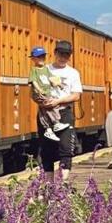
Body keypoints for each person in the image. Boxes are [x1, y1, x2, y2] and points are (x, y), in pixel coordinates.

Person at [38, 41, 82, 181]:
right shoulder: (44, 70)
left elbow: (76, 95)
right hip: (46, 113)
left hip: (64, 112)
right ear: (55, 53)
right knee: (47, 148)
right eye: (61, 54)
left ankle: (62, 182)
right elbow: (35, 90)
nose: (63, 57)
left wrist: (58, 101)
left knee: (66, 147)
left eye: (66, 55)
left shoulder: (73, 73)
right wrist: (42, 100)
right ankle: (49, 184)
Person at [29, 46, 71, 142]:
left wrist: (59, 85)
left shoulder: (46, 69)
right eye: (39, 57)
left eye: (43, 56)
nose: (41, 59)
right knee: (50, 105)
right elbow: (33, 81)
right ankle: (55, 124)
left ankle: (49, 129)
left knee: (45, 109)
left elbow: (52, 78)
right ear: (33, 59)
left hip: (47, 93)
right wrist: (39, 89)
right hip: (39, 93)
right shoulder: (34, 70)